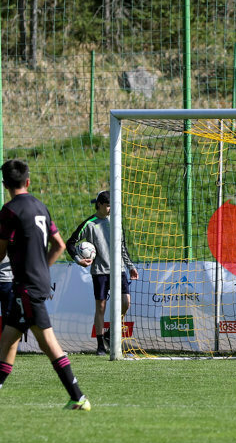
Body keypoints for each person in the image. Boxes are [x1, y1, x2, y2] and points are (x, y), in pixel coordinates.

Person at [0, 159, 90, 410]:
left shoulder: (9, 211)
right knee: (7, 341)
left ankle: (78, 396)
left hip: (26, 287)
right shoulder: (40, 207)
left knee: (48, 343)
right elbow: (59, 244)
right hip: (31, 283)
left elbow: (0, 252)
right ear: (28, 181)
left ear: (4, 184)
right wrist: (42, 268)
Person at [68, 190, 139, 355]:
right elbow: (70, 243)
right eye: (108, 205)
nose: (110, 209)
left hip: (119, 269)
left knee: (126, 302)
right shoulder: (89, 224)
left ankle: (110, 333)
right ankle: (100, 345)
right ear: (99, 205)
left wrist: (130, 266)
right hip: (100, 271)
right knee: (101, 307)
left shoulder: (116, 221)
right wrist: (79, 259)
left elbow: (122, 247)